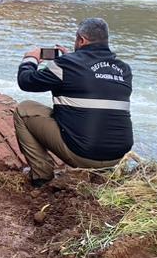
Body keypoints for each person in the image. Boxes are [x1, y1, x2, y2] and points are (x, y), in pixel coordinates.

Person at [14, 17, 133, 186]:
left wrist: (30, 59)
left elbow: (26, 81)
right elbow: (94, 81)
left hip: (83, 154)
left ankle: (41, 175)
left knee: (24, 109)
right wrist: (74, 59)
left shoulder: (66, 64)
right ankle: (103, 174)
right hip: (116, 156)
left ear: (81, 40)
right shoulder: (124, 69)